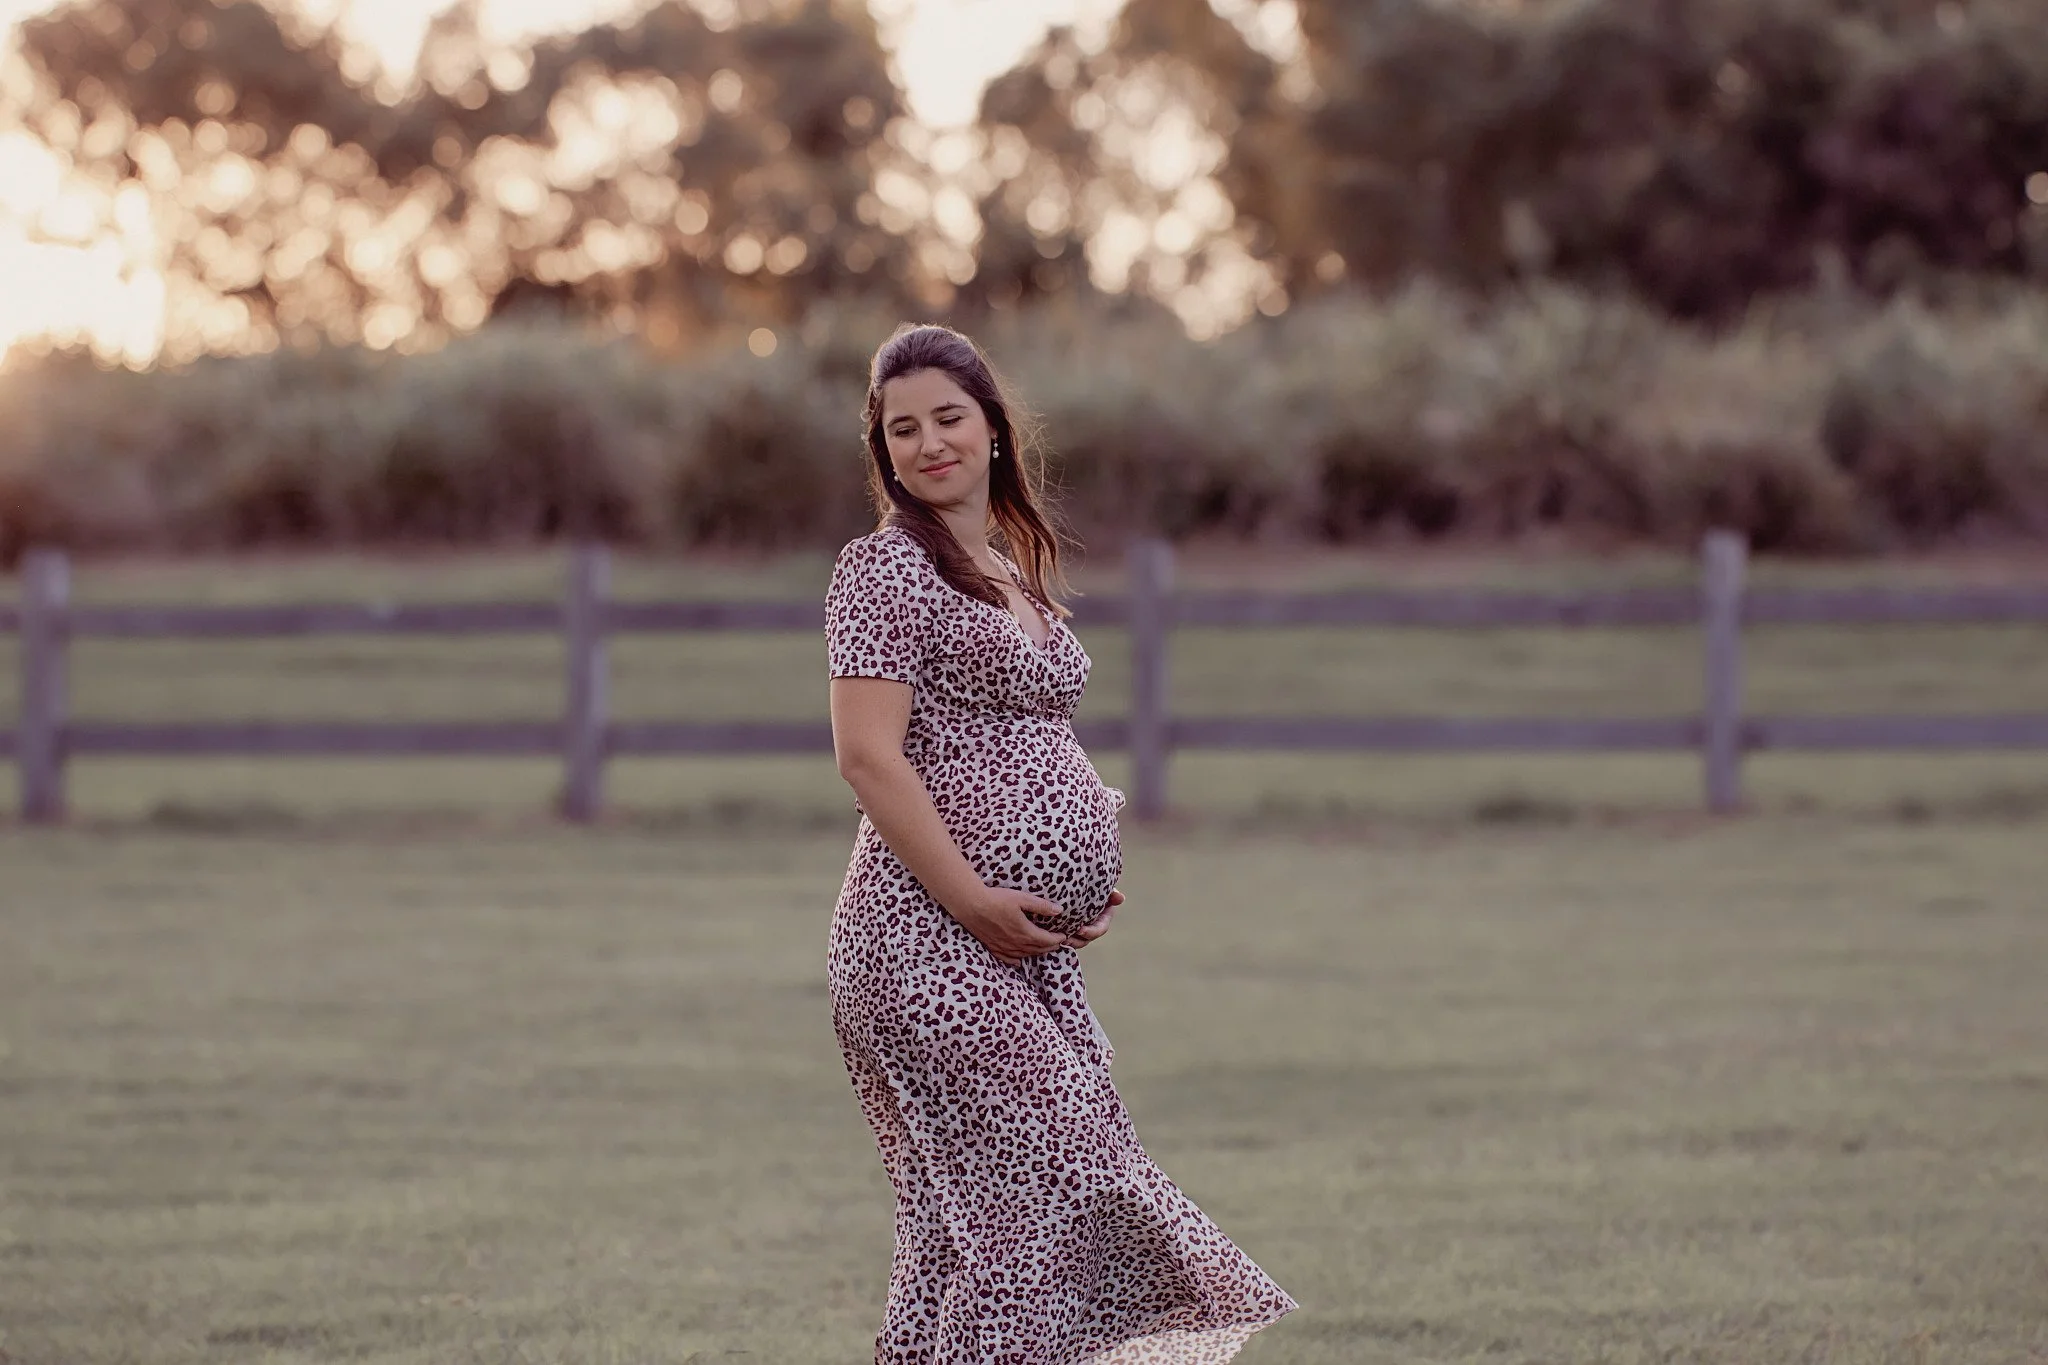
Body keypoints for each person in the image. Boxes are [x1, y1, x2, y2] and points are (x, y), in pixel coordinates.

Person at [824, 322, 1297, 1364]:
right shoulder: (883, 571)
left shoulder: (1000, 569)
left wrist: (1069, 872)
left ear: (992, 428)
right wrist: (975, 898)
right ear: (882, 452)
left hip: (1010, 948)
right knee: (1047, 1195)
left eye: (947, 417)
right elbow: (868, 759)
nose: (926, 442)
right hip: (921, 946)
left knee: (963, 1228)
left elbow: (1018, 740)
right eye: (900, 429)